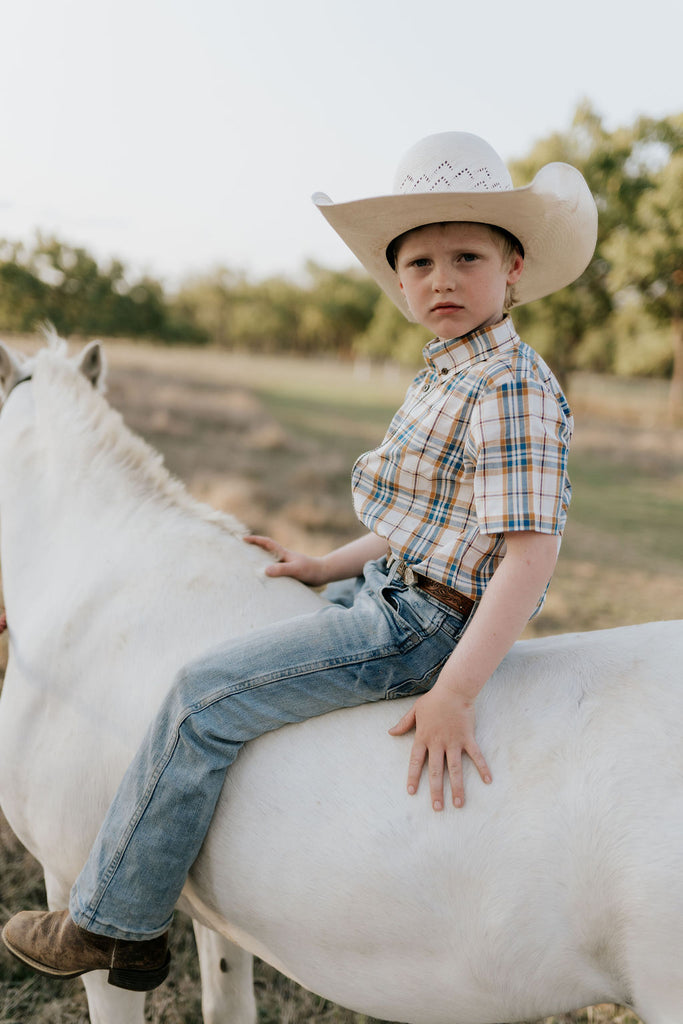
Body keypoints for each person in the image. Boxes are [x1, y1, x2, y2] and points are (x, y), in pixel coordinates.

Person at [1, 131, 597, 991]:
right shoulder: (452, 369)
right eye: (419, 262)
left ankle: (116, 923)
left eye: (466, 256)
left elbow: (527, 559)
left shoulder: (509, 386)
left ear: (512, 268)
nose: (441, 278)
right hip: (390, 585)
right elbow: (424, 517)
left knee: (201, 695)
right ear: (397, 282)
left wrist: (454, 692)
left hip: (420, 625)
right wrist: (328, 564)